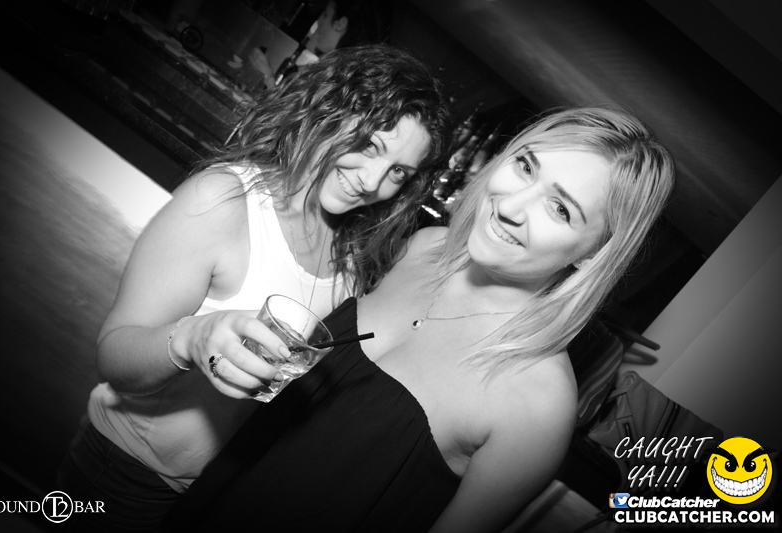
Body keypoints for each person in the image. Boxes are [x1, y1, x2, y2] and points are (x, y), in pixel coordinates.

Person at [161, 107, 675, 532]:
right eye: (525, 166)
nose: (511, 207)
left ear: (595, 254)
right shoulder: (425, 248)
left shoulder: (537, 405)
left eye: (560, 209)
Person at [56, 44, 454, 531]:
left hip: (220, 497)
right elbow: (114, 358)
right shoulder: (223, 200)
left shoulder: (352, 252)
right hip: (125, 475)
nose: (372, 181)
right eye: (369, 144)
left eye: (398, 172)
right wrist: (191, 338)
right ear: (329, 111)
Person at [249, 0, 389, 90]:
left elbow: (282, 119)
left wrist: (268, 76)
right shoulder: (344, 77)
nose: (319, 22)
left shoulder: (329, 79)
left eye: (326, 15)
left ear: (340, 24)